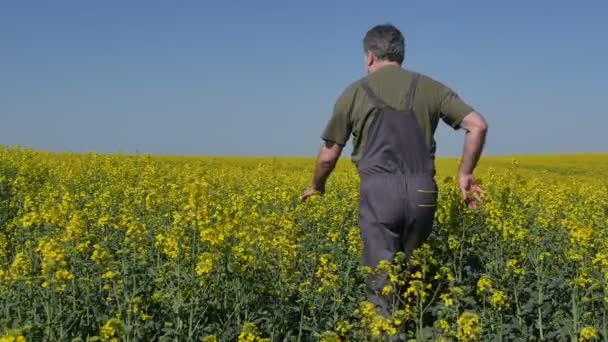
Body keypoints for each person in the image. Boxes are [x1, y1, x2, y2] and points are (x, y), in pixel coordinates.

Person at [301, 23, 488, 319]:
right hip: (423, 192)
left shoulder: (354, 92)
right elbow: (477, 125)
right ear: (400, 54)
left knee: (382, 284)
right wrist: (465, 173)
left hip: (379, 193)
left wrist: (317, 186)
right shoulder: (430, 87)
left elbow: (328, 155)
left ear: (370, 56)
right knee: (415, 277)